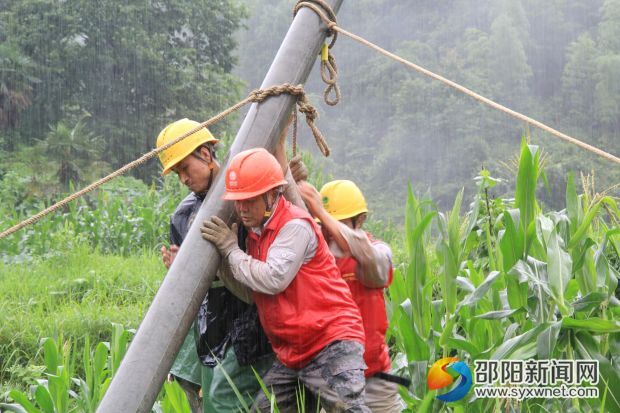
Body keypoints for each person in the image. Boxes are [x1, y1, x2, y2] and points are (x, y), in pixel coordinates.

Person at [201, 148, 371, 413]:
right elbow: (252, 290)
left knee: (348, 409)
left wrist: (231, 250)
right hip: (293, 353)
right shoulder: (256, 231)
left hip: (331, 342)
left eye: (250, 199)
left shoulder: (294, 226)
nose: (242, 208)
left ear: (272, 195)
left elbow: (272, 278)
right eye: (238, 200)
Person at [156, 118, 274, 413]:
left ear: (206, 155)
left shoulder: (247, 199)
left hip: (252, 321)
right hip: (212, 327)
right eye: (177, 173)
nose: (183, 178)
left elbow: (261, 280)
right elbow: (192, 289)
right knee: (214, 402)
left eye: (185, 168)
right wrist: (178, 273)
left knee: (226, 400)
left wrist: (224, 256)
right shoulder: (182, 217)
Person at [296, 178, 403, 413]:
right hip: (335, 383)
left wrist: (322, 213)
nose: (327, 230)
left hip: (375, 381)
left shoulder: (377, 252)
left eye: (334, 222)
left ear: (360, 220)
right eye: (322, 224)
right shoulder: (318, 256)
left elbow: (367, 256)